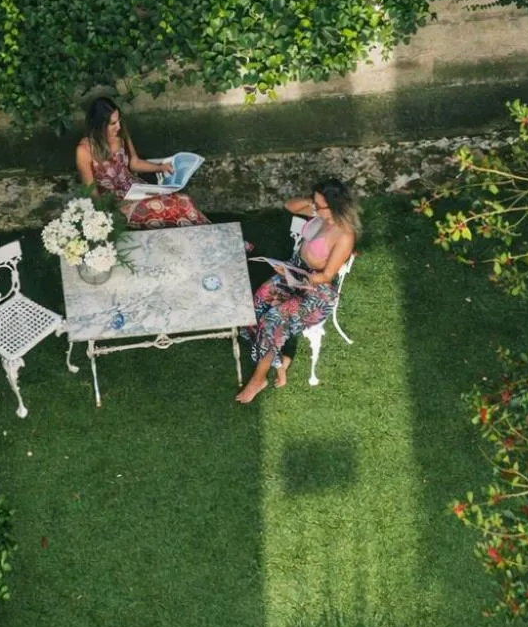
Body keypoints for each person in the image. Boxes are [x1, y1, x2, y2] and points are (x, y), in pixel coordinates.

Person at [236, 178, 358, 403]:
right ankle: (280, 359)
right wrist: (314, 204)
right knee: (257, 304)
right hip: (293, 271)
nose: (314, 206)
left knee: (274, 319)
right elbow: (289, 206)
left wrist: (295, 276)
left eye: (319, 203)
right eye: (315, 201)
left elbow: (326, 276)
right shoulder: (320, 214)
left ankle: (258, 379)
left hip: (315, 291)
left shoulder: (344, 236)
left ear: (334, 206)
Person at [75, 96, 210, 228]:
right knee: (173, 207)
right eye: (113, 123)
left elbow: (134, 163)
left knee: (184, 200)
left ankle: (208, 234)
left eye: (119, 121)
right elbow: (91, 191)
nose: (119, 127)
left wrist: (160, 168)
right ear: (99, 125)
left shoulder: (120, 134)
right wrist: (105, 219)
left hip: (136, 189)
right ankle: (206, 234)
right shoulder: (84, 150)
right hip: (117, 203)